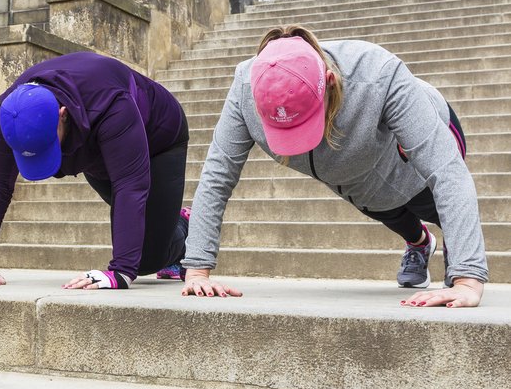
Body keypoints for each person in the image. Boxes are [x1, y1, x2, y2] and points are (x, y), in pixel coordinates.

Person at [182, 25, 487, 308]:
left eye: (302, 125)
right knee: (383, 206)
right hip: (355, 179)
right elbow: (216, 178)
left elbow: (447, 172)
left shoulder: (377, 74)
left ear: (329, 82)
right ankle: (420, 244)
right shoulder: (245, 88)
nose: (300, 142)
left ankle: (455, 253)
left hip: (413, 153)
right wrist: (197, 272)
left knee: (437, 209)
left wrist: (467, 281)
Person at [0, 52, 190, 289]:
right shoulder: (11, 113)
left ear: (62, 114)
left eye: (46, 147)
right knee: (141, 227)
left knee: (144, 260)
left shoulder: (110, 104)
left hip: (159, 141)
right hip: (96, 150)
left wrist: (120, 272)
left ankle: (181, 225)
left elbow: (130, 185)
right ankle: (164, 224)